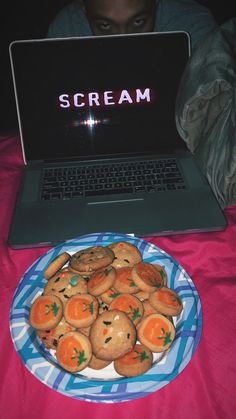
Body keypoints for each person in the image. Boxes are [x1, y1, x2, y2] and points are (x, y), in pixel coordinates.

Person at [47, 0, 218, 51]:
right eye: (105, 26)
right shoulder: (65, 29)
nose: (123, 40)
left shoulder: (193, 26)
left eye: (138, 22)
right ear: (83, 6)